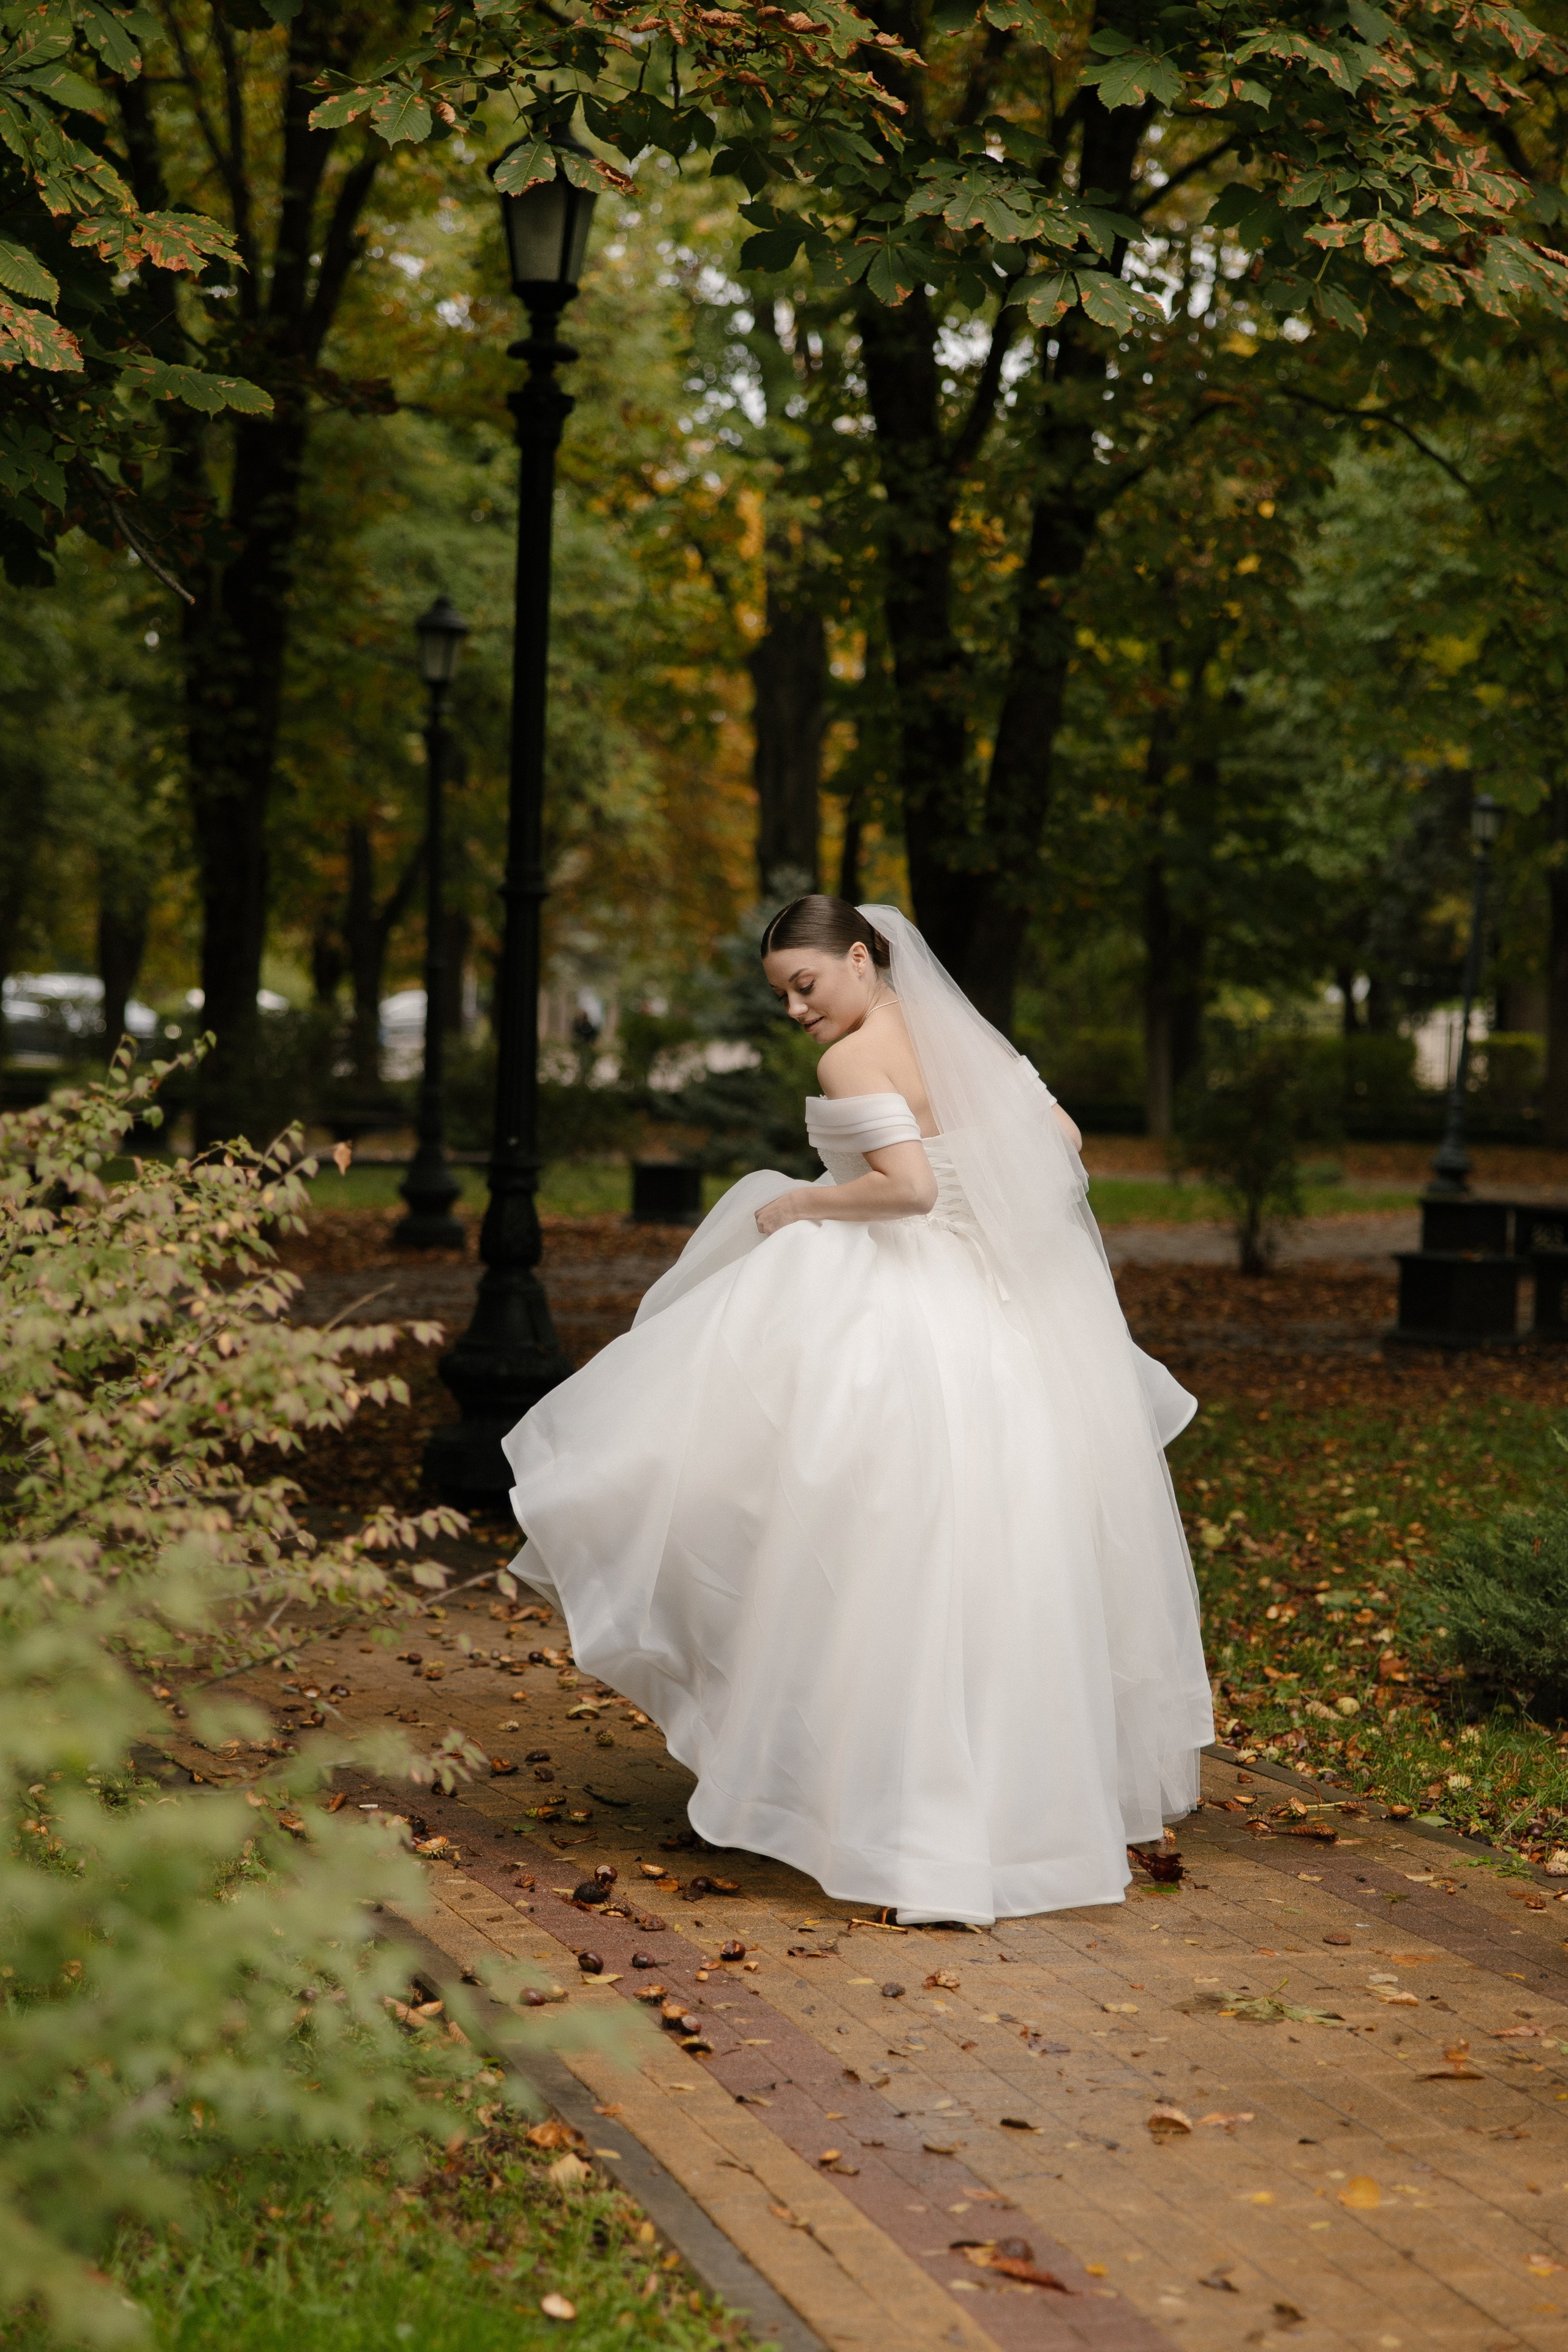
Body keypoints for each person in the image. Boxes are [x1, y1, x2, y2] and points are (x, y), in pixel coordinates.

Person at [503, 897, 1213, 1924]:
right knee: (985, 1555)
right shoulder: (957, 1039)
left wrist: (800, 1204)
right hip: (994, 1318)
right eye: (782, 994)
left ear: (863, 958)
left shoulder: (851, 1064)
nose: (796, 1009)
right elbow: (1060, 1137)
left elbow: (909, 1189)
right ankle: (1006, 1807)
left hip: (903, 1304)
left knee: (839, 1533)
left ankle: (888, 1803)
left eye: (808, 983)